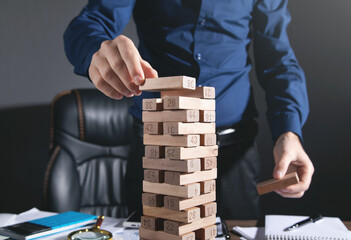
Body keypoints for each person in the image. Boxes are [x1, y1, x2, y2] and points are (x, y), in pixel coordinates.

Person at [64, 0, 314, 219]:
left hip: (235, 158)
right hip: (157, 152)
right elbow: (90, 22)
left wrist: (288, 132)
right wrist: (95, 51)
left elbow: (279, 60)